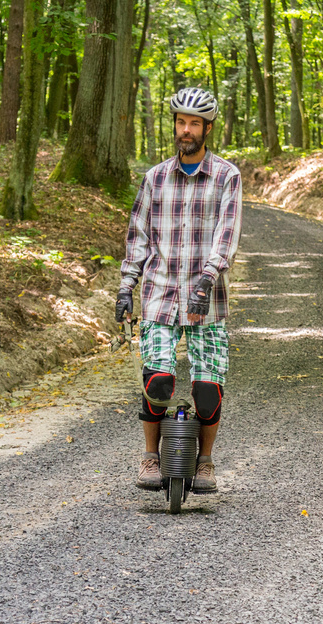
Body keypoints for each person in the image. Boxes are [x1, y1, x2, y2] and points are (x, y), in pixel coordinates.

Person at [114, 87, 242, 493]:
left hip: (208, 299)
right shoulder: (154, 178)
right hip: (160, 293)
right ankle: (150, 458)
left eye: (194, 124)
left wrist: (208, 277)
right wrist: (125, 287)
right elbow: (138, 238)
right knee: (159, 381)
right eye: (181, 122)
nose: (186, 130)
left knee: (207, 391)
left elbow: (227, 233)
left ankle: (205, 463)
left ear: (208, 128)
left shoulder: (227, 176)